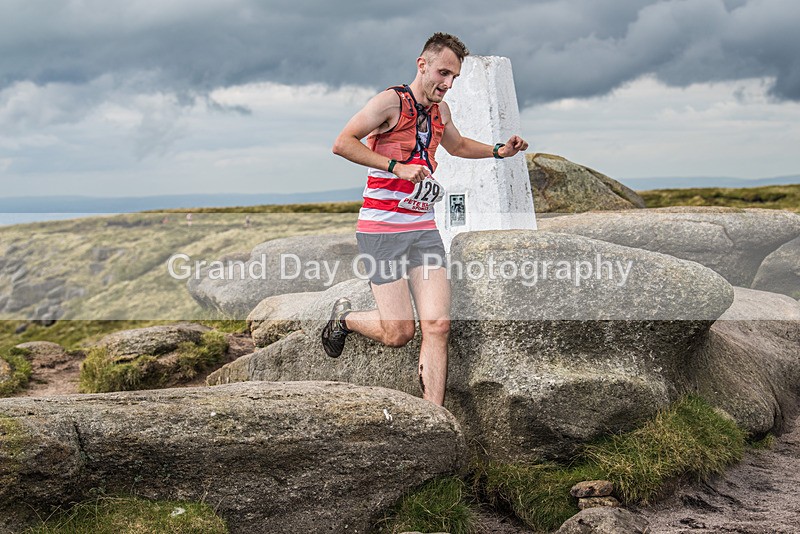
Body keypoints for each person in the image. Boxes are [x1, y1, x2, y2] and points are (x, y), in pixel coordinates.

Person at [323, 32, 528, 406]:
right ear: (423, 65)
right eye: (443, 74)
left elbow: (459, 146)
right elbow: (343, 142)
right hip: (381, 231)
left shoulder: (440, 112)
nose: (448, 84)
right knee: (399, 331)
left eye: (454, 78)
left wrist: (501, 151)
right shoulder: (390, 102)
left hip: (422, 230)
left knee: (438, 326)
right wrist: (396, 167)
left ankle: (434, 417)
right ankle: (346, 317)